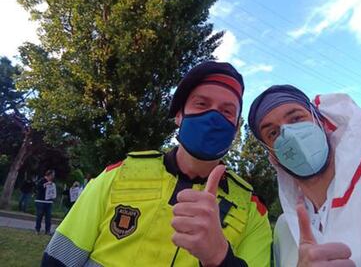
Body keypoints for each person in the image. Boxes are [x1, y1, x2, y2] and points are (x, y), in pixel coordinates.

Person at [42, 61, 272, 266]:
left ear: (235, 127)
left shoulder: (252, 210)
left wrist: (220, 259)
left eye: (227, 111)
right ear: (179, 116)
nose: (214, 118)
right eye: (201, 104)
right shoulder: (119, 175)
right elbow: (59, 258)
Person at [248, 84, 361, 267]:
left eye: (296, 118)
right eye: (273, 133)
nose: (289, 135)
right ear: (273, 157)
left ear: (322, 123)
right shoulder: (285, 229)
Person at [35, 169, 56, 235]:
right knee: (39, 216)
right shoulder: (42, 180)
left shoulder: (52, 182)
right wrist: (45, 184)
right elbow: (38, 187)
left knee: (48, 217)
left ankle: (47, 231)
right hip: (40, 201)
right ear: (49, 175)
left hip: (49, 202)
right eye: (52, 175)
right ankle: (37, 229)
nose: (53, 176)